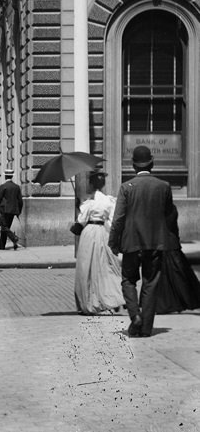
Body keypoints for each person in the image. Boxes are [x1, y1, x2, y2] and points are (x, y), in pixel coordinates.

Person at [108, 145, 179, 338]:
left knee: (128, 280)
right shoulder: (163, 186)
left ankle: (135, 315)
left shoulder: (126, 188)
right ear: (152, 163)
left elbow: (118, 219)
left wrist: (113, 242)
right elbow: (170, 216)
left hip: (131, 242)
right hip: (156, 243)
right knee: (151, 282)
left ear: (133, 166)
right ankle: (146, 327)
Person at [73, 169, 123, 315]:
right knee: (104, 266)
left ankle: (88, 300)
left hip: (89, 233)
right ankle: (107, 298)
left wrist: (78, 207)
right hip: (103, 232)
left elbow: (81, 222)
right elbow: (112, 221)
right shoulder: (109, 200)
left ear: (91, 183)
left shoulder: (88, 202)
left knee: (86, 266)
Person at [0, 168, 23, 250]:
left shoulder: (3, 187)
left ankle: (13, 237)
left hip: (4, 210)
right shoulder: (17, 187)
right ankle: (1, 246)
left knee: (4, 227)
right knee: (6, 227)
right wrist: (19, 211)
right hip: (13, 210)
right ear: (12, 176)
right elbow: (20, 201)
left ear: (5, 176)